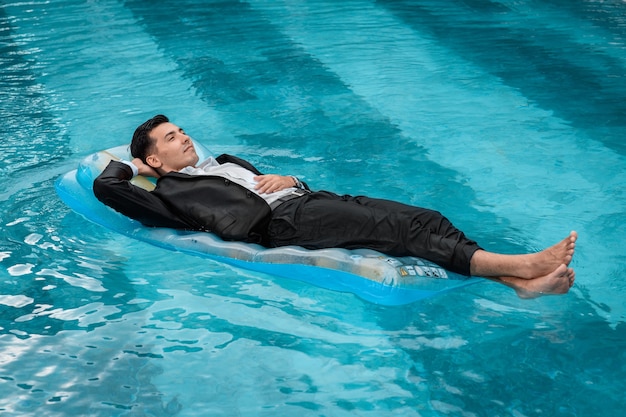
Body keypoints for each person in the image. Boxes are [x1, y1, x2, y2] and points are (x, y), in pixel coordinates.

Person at [93, 115, 577, 299]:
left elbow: (272, 183)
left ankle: (518, 284)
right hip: (281, 224)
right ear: (154, 157)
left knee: (424, 217)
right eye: (172, 138)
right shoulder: (167, 191)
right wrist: (137, 166)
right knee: (399, 233)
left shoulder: (222, 161)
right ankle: (523, 265)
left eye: (182, 130)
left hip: (307, 199)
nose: (185, 137)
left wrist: (293, 178)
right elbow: (108, 186)